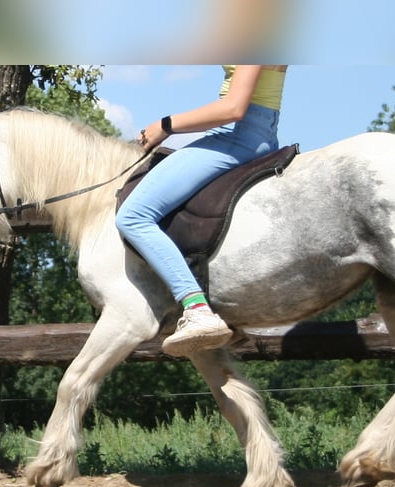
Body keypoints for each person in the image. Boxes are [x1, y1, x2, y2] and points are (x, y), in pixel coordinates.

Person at [116, 65, 288, 356]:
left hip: (238, 135)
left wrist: (166, 125)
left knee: (133, 216)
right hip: (255, 131)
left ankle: (197, 309)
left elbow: (233, 108)